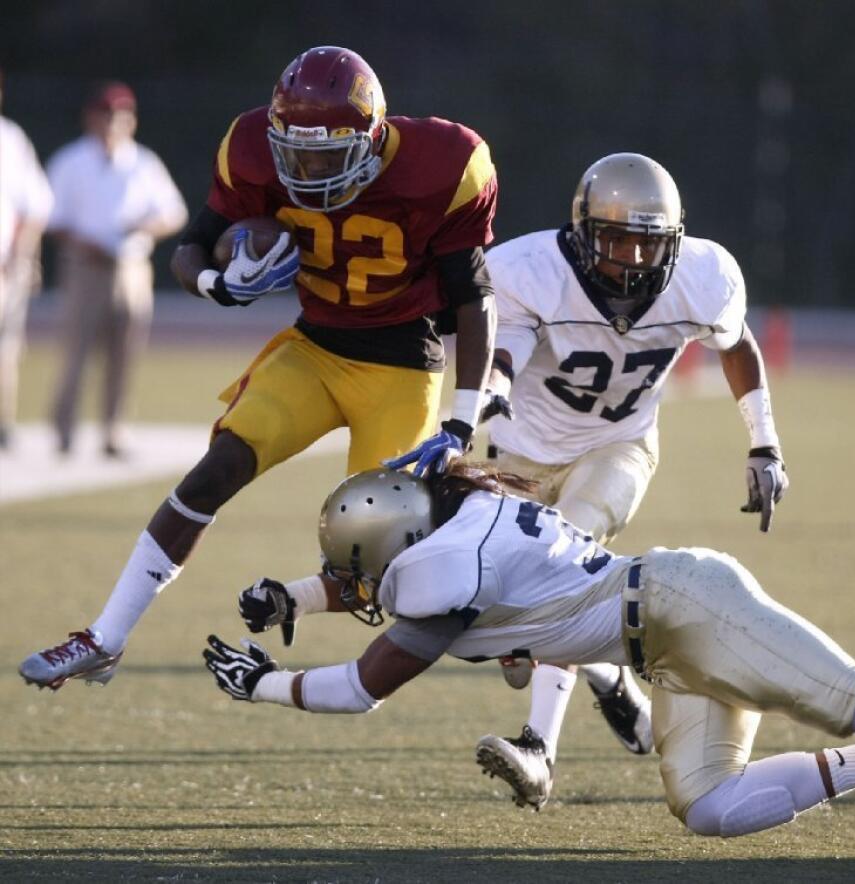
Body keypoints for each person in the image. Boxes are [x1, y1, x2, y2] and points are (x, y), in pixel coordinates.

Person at [203, 465, 855, 840]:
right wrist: (291, 594)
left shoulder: (435, 573)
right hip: (662, 645)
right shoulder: (453, 514)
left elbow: (364, 687)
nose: (356, 585)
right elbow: (374, 581)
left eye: (356, 572)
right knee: (710, 809)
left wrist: (264, 686)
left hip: (684, 605)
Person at [18, 46, 498, 690]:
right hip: (315, 347)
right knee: (212, 472)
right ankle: (104, 638)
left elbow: (474, 298)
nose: (309, 170)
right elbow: (190, 248)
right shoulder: (249, 145)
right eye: (296, 153)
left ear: (373, 136)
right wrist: (218, 282)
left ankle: (491, 637)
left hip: (402, 363)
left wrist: (463, 419)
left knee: (379, 554)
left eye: (327, 154)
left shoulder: (446, 163)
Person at [417, 152, 789, 809]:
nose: (633, 262)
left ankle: (539, 751)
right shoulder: (531, 271)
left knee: (562, 562)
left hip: (617, 447)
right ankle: (610, 678)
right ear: (583, 233)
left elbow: (736, 345)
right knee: (513, 589)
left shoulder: (704, 276)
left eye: (649, 244)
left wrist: (764, 443)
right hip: (517, 455)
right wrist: (489, 399)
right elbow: (503, 350)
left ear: (674, 240)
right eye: (616, 241)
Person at [44, 81, 188, 457]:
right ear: (91, 118)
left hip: (130, 267)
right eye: (106, 114)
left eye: (121, 115)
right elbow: (52, 217)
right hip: (85, 266)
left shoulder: (143, 162)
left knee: (126, 353)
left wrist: (145, 228)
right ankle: (64, 430)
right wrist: (82, 241)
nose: (113, 122)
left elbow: (173, 213)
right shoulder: (70, 161)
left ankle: (114, 431)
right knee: (76, 351)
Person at [0, 67, 54, 451]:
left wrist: (25, 255)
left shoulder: (10, 138)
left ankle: (3, 423)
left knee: (5, 348)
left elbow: (33, 203)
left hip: (3, 264)